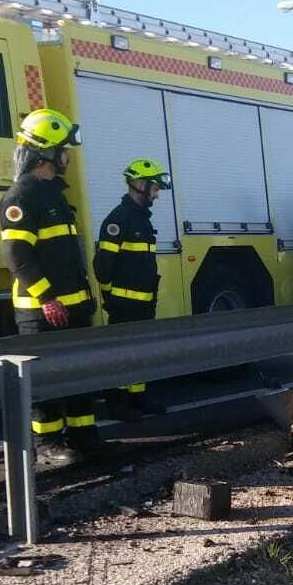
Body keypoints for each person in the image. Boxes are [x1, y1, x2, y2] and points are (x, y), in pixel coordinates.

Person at [0, 108, 109, 464]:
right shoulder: (21, 196)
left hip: (74, 306)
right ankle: (46, 445)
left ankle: (83, 438)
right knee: (44, 378)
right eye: (65, 149)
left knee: (80, 374)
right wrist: (47, 298)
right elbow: (18, 255)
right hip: (41, 309)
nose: (68, 157)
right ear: (46, 152)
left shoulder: (54, 195)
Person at [95, 158, 173, 423]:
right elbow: (102, 266)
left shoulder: (142, 220)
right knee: (121, 355)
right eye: (154, 188)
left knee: (140, 353)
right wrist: (110, 297)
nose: (157, 193)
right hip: (123, 305)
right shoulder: (119, 219)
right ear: (140, 184)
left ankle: (137, 397)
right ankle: (117, 403)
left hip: (143, 303)